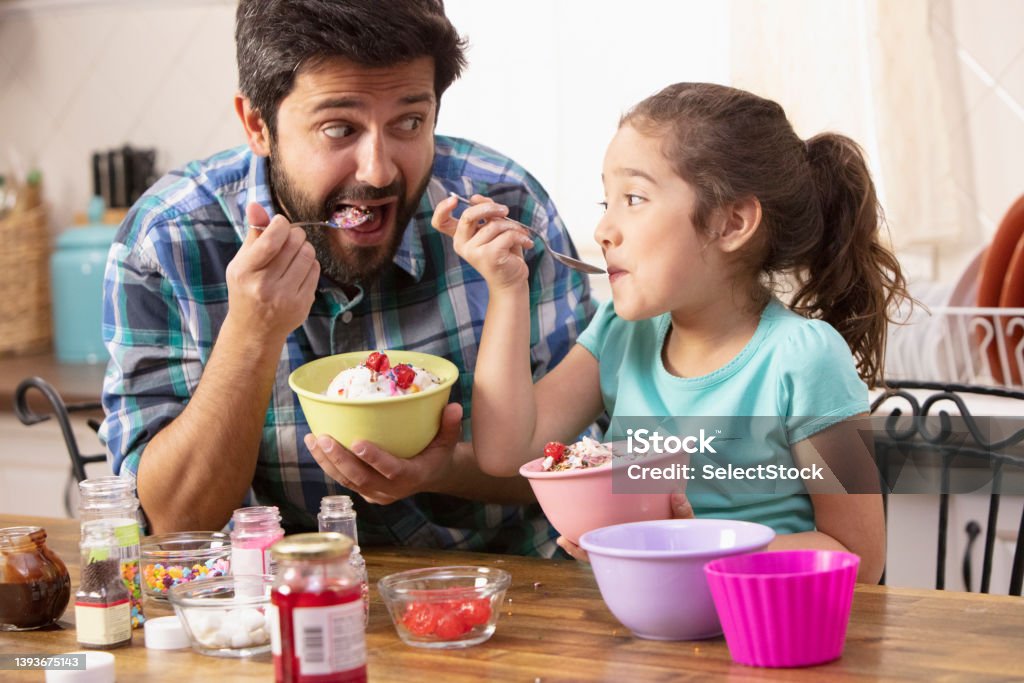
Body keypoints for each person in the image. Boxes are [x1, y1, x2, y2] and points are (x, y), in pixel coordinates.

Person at [98, 0, 595, 557]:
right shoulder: (168, 240)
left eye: (410, 121)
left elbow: (586, 460)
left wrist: (440, 469)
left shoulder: (506, 210)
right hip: (275, 605)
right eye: (339, 129)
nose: (379, 170)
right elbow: (171, 522)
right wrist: (252, 334)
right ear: (257, 125)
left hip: (512, 588)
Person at [432, 82, 909, 582]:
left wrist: (682, 545)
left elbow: (859, 556)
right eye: (605, 202)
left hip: (757, 638)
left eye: (633, 198)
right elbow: (506, 451)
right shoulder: (621, 333)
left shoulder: (805, 358)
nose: (603, 231)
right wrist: (507, 291)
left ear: (731, 223)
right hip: (633, 629)